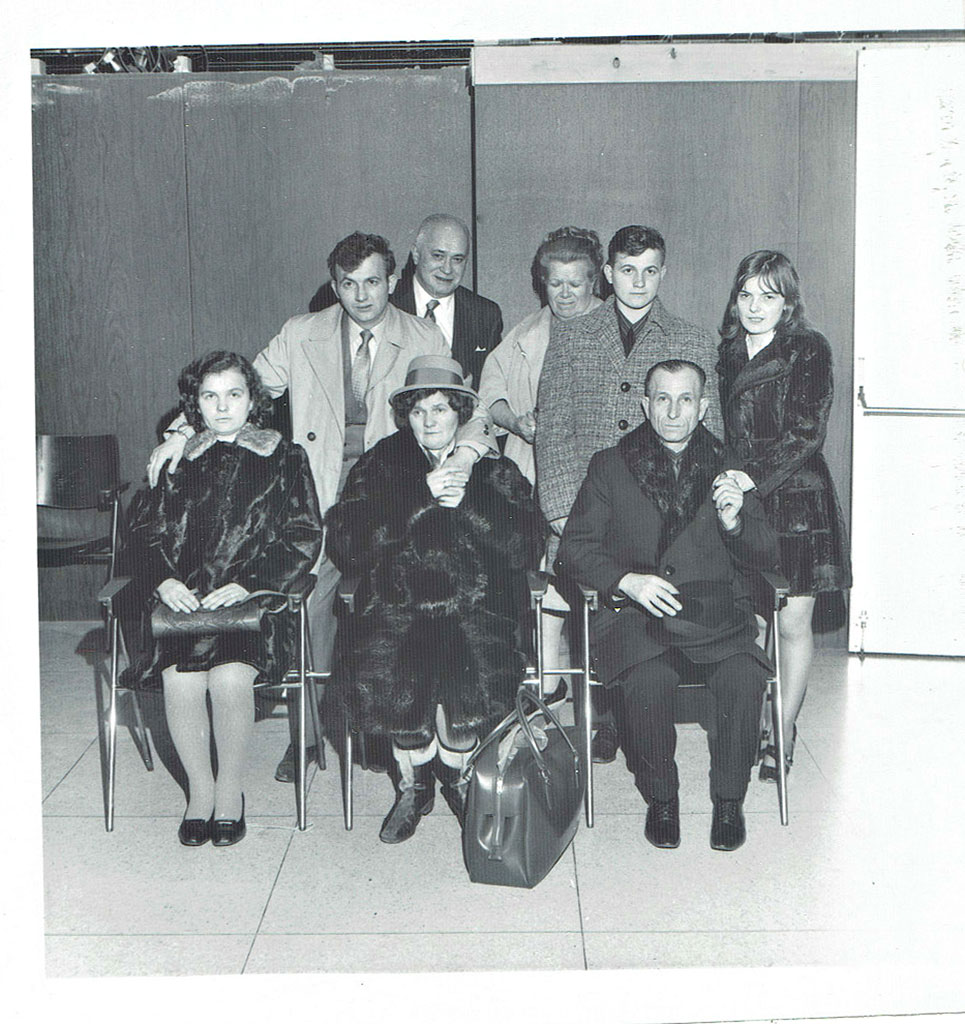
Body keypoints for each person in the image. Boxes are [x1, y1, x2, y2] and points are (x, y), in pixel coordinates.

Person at [146, 232, 497, 783]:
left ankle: (386, 732)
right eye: (349, 284)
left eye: (373, 282)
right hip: (316, 500)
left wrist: (469, 454)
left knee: (392, 610)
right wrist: (180, 431)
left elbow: (463, 406)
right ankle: (307, 737)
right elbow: (238, 391)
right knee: (307, 611)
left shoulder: (423, 333)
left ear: (392, 280)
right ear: (334, 285)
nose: (362, 296)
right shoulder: (300, 332)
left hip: (390, 501)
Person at [557, 360, 778, 851]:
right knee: (648, 679)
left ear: (703, 408)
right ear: (645, 405)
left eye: (685, 400)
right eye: (662, 399)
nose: (673, 412)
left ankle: (729, 800)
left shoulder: (729, 467)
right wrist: (626, 581)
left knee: (745, 676)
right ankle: (662, 798)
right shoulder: (611, 465)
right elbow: (574, 549)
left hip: (714, 615)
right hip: (637, 617)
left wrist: (735, 523)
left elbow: (767, 554)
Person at [326, 355, 544, 844]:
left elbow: (528, 543)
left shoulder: (491, 468)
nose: (429, 421)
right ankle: (414, 784)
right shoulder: (381, 462)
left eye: (440, 409)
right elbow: (348, 540)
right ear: (405, 415)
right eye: (418, 410)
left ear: (460, 414)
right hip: (397, 606)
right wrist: (418, 499)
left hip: (475, 608)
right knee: (396, 665)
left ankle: (457, 774)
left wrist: (471, 505)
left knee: (467, 675)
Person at [536, 224, 722, 763]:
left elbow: (709, 439)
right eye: (627, 270)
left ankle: (633, 711)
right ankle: (603, 716)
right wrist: (563, 511)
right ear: (608, 273)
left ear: (663, 273)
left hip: (658, 520)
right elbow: (553, 429)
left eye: (649, 271)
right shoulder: (572, 335)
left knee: (643, 615)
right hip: (585, 512)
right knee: (592, 608)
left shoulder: (691, 340)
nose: (638, 282)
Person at [126, 351, 323, 846]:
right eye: (209, 396)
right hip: (187, 606)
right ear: (194, 404)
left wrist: (252, 582)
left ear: (253, 400)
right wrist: (163, 581)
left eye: (234, 394)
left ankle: (230, 792)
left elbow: (302, 535)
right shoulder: (178, 460)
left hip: (255, 606)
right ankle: (200, 792)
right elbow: (145, 534)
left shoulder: (284, 457)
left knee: (231, 679)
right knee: (181, 681)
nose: (222, 406)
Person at [716, 251, 852, 780]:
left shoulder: (808, 347)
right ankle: (756, 717)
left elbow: (806, 432)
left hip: (798, 501)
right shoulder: (729, 351)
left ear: (787, 302)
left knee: (793, 621)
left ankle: (783, 729)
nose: (755, 306)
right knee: (752, 619)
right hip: (745, 501)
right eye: (746, 294)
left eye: (768, 296)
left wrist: (749, 476)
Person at [478, 225, 604, 701]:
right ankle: (550, 685)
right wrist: (516, 420)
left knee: (597, 584)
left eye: (575, 283)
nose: (565, 294)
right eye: (555, 284)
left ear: (595, 281)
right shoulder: (527, 335)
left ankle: (603, 698)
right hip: (536, 471)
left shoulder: (612, 329)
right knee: (545, 581)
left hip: (596, 476)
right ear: (542, 283)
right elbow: (488, 394)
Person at [391, 214, 503, 386]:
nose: (447, 269)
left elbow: (491, 385)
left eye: (457, 259)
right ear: (416, 254)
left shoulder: (485, 314)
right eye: (438, 256)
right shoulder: (388, 302)